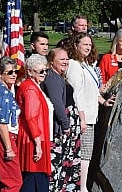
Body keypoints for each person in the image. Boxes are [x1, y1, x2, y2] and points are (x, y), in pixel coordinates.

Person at [66, 33, 115, 192]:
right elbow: (75, 94)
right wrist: (82, 118)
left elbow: (93, 90)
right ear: (75, 46)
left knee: (87, 153)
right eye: (84, 44)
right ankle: (82, 188)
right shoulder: (73, 65)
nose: (88, 47)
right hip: (83, 116)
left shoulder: (87, 64)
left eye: (89, 44)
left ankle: (83, 185)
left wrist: (103, 101)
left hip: (91, 115)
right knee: (84, 154)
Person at [41, 47, 81, 191]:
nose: (65, 62)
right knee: (57, 164)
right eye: (61, 59)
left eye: (66, 59)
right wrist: (65, 124)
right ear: (51, 62)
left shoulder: (60, 76)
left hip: (68, 126)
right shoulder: (52, 78)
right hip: (60, 130)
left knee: (67, 162)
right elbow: (57, 103)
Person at [16, 54, 51, 192]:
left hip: (34, 137)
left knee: (34, 179)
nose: (44, 73)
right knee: (34, 180)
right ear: (30, 72)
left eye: (45, 70)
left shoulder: (32, 86)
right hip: (32, 139)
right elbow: (30, 117)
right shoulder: (30, 89)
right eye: (41, 71)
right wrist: (37, 144)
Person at [0, 56, 22, 191]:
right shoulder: (1, 92)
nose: (14, 75)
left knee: (10, 179)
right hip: (3, 137)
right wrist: (8, 148)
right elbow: (1, 122)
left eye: (15, 72)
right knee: (13, 182)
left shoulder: (4, 90)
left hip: (7, 136)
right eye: (10, 72)